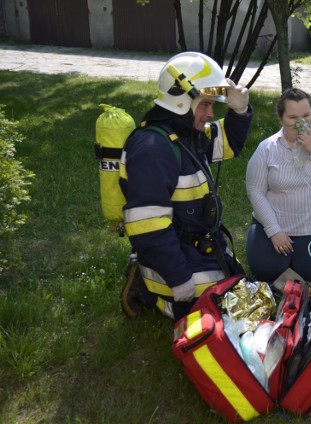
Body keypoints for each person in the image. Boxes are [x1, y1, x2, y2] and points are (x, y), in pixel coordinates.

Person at [120, 51, 252, 321]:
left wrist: (240, 110)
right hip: (173, 264)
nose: (210, 113)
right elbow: (149, 227)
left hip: (196, 246)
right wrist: (179, 279)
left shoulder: (185, 134)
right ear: (181, 100)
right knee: (229, 315)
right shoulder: (153, 149)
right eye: (205, 104)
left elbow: (227, 142)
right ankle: (147, 288)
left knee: (244, 296)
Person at [245, 88, 311, 284]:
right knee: (265, 273)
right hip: (276, 226)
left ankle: (301, 263)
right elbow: (255, 190)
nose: (301, 122)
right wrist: (273, 230)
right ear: (281, 118)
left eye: (306, 115)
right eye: (293, 117)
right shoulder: (267, 148)